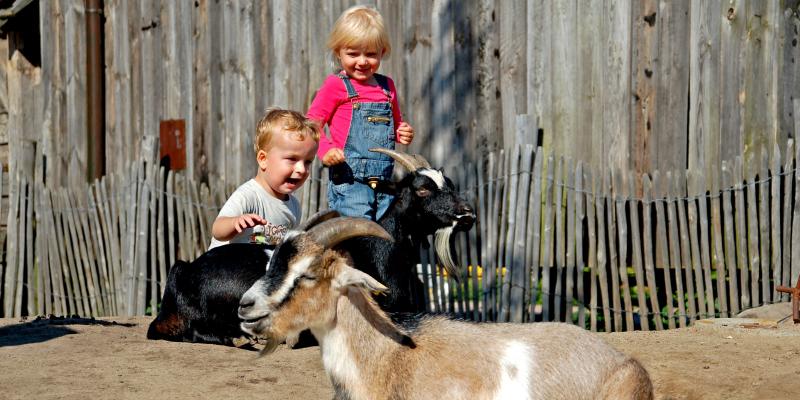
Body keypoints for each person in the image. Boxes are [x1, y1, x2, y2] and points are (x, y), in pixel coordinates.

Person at [307, 5, 414, 221]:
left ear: (382, 52)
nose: (362, 61)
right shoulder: (335, 85)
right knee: (359, 237)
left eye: (371, 54)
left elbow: (394, 124)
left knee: (384, 238)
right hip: (350, 183)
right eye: (353, 54)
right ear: (339, 52)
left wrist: (403, 131)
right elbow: (311, 124)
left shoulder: (387, 86)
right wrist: (326, 150)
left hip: (385, 182)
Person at [208, 108, 319, 250]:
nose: (302, 169)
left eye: (308, 162)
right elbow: (217, 230)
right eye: (292, 159)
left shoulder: (294, 207)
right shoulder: (249, 196)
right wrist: (235, 222)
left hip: (258, 269)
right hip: (223, 267)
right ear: (263, 159)